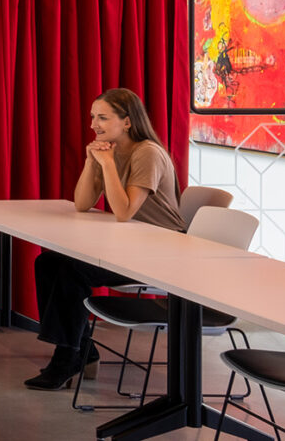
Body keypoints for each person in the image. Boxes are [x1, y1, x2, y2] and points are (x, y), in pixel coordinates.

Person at [24, 87, 185, 390]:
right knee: (48, 262)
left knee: (71, 271)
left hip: (162, 252)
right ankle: (82, 349)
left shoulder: (146, 152)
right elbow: (83, 204)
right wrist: (91, 161)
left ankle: (67, 356)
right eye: (92, 117)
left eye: (102, 118)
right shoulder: (112, 150)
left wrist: (108, 165)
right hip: (131, 245)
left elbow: (123, 212)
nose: (94, 125)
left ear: (127, 121)